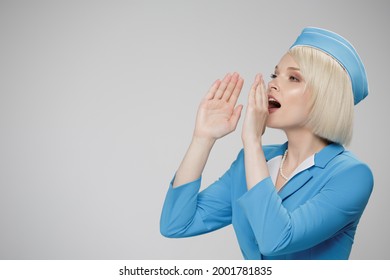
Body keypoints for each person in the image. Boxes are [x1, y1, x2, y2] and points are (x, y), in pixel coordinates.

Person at [160, 27, 373, 260]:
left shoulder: (351, 175)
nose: (272, 85)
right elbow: (176, 224)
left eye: (293, 78)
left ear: (327, 97)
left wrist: (252, 141)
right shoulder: (252, 161)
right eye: (275, 75)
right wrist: (203, 138)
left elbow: (276, 240)